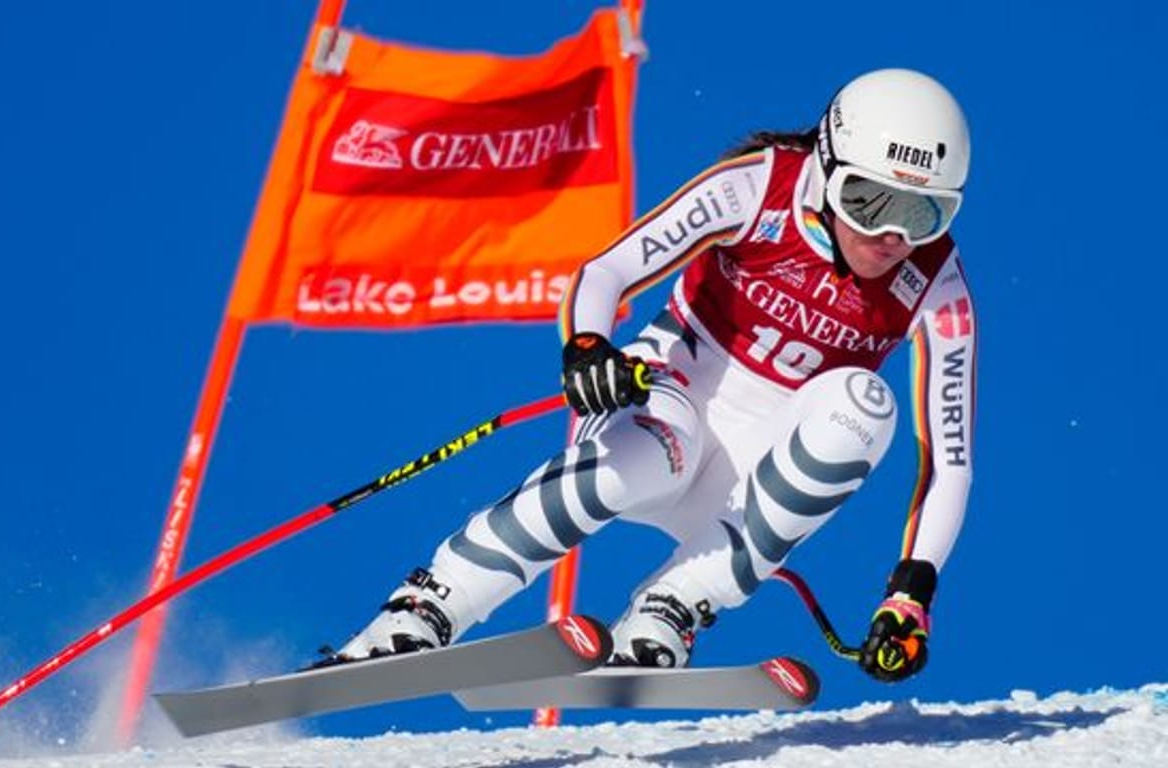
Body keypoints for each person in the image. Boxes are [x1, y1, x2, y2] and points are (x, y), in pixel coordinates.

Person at [329, 68, 976, 683]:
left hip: (753, 484)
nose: (890, 235)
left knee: (866, 403)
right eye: (866, 202)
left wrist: (911, 592)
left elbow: (950, 460)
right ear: (826, 167)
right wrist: (588, 345)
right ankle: (431, 605)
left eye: (923, 214)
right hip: (669, 397)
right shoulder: (757, 188)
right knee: (651, 456)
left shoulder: (936, 286)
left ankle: (672, 607)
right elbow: (608, 270)